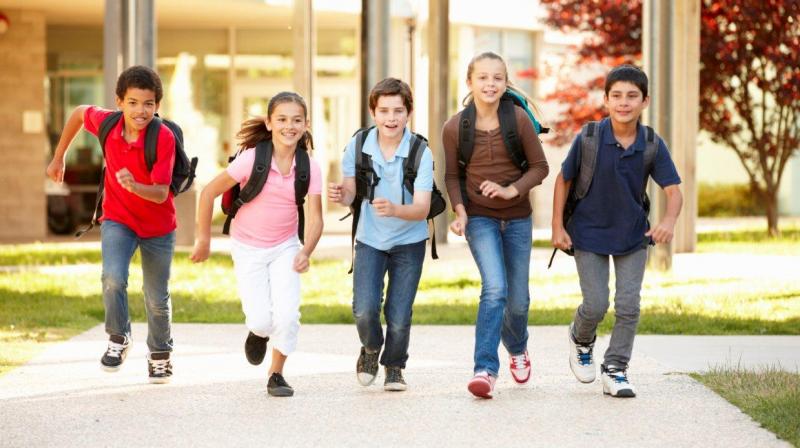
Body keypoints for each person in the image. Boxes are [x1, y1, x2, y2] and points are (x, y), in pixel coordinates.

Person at [551, 64, 683, 398]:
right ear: (607, 100)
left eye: (632, 96)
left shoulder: (651, 143)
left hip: (632, 236)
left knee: (628, 306)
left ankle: (616, 368)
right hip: (588, 234)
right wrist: (557, 226)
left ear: (645, 101)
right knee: (595, 304)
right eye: (617, 96)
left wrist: (667, 222)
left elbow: (674, 191)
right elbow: (563, 179)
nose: (624, 103)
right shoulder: (591, 137)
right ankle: (581, 338)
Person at [46, 65, 178, 383]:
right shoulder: (106, 123)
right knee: (113, 278)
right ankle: (119, 337)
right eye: (132, 102)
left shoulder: (163, 138)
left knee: (156, 296)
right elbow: (78, 112)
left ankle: (160, 353)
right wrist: (59, 155)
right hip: (118, 218)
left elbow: (161, 193)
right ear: (119, 101)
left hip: (158, 226)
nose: (140, 110)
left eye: (148, 103)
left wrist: (134, 186)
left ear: (157, 105)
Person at [190, 92, 323, 398]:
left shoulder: (309, 166)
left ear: (305, 124)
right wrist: (203, 240)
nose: (289, 126)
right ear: (269, 122)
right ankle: (259, 332)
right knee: (261, 318)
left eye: (296, 120)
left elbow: (315, 219)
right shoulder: (252, 159)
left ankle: (276, 374)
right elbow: (208, 192)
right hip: (247, 246)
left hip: (286, 246)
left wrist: (306, 251)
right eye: (282, 119)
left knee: (288, 315)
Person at [443, 52, 550, 399]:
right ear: (469, 82)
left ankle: (517, 347)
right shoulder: (455, 127)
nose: (490, 84)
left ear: (505, 83)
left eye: (497, 78)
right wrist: (460, 212)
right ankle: (485, 369)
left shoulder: (517, 119)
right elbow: (452, 175)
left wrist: (511, 189)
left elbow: (540, 167)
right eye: (483, 77)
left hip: (518, 218)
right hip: (480, 218)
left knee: (518, 302)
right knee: (494, 289)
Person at [327, 77, 433, 392]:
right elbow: (350, 193)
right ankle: (371, 349)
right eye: (384, 110)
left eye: (398, 111)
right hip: (370, 240)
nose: (391, 118)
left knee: (399, 314)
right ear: (373, 112)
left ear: (409, 113)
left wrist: (395, 209)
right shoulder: (358, 146)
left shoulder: (420, 152)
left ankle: (395, 366)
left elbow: (422, 209)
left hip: (409, 243)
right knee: (364, 307)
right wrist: (340, 196)